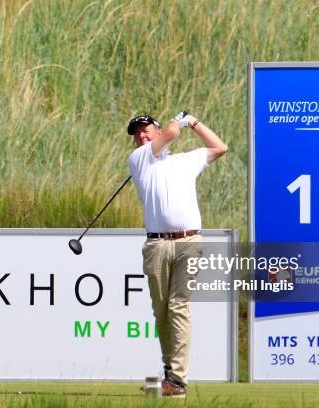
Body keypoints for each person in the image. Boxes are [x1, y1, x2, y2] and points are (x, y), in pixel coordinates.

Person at [127, 112, 228, 398]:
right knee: (162, 312)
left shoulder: (186, 160)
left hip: (189, 242)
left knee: (178, 306)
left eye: (146, 131)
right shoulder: (139, 160)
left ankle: (177, 380)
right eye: (137, 134)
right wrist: (178, 122)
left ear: (156, 131)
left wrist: (194, 122)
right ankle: (170, 373)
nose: (141, 137)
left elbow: (220, 147)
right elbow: (171, 133)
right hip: (157, 245)